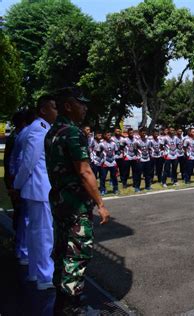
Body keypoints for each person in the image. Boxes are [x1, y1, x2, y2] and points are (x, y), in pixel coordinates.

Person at [45, 87, 110, 313]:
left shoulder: (53, 131)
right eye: (80, 103)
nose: (85, 108)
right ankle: (72, 307)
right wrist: (101, 205)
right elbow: (84, 171)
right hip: (76, 206)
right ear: (68, 106)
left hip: (60, 203)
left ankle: (61, 303)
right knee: (78, 255)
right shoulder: (73, 133)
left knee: (62, 252)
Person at [14, 95, 57, 290]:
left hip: (37, 190)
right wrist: (17, 184)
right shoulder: (39, 130)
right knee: (43, 234)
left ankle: (34, 272)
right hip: (40, 189)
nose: (57, 112)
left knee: (35, 233)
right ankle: (45, 276)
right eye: (53, 108)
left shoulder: (38, 128)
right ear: (43, 111)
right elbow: (28, 163)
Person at [5, 110, 33, 265]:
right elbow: (16, 162)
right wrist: (13, 186)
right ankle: (22, 248)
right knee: (23, 216)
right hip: (19, 182)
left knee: (22, 215)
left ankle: (20, 247)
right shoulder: (19, 137)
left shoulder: (18, 136)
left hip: (17, 182)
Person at [98, 131, 119, 195]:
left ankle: (115, 189)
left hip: (112, 162)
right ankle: (102, 189)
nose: (109, 136)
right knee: (103, 177)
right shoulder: (101, 144)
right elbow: (97, 153)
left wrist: (115, 157)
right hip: (105, 163)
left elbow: (117, 152)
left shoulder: (113, 143)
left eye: (110, 135)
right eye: (107, 135)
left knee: (114, 177)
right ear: (104, 136)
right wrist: (101, 158)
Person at [134, 127, 153, 191]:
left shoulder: (148, 141)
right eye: (142, 132)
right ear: (139, 133)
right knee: (138, 174)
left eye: (145, 132)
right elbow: (135, 150)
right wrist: (137, 158)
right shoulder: (137, 142)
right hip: (140, 160)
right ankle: (137, 187)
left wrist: (150, 156)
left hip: (147, 159)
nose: (144, 133)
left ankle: (148, 186)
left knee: (147, 174)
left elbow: (150, 149)